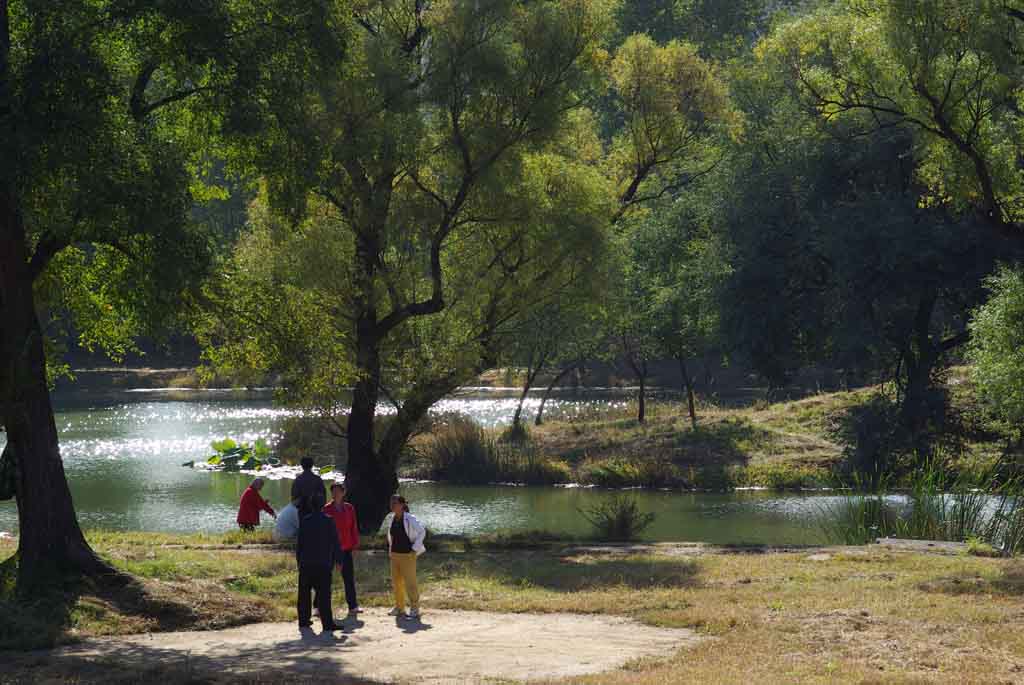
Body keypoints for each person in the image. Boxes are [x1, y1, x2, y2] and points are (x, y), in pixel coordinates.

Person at [296, 490, 342, 632]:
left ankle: (303, 621)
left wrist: (299, 561)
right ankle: (327, 624)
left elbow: (300, 544)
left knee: (304, 593)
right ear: (323, 505)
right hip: (323, 563)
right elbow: (335, 542)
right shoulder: (328, 521)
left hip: (306, 563)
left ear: (311, 505)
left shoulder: (305, 520)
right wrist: (338, 560)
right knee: (323, 595)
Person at [384, 493, 426, 619]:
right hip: (395, 555)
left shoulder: (409, 518)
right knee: (396, 582)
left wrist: (414, 549)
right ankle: (399, 607)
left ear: (402, 505)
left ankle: (414, 608)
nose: (392, 505)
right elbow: (391, 535)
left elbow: (422, 532)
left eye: (395, 503)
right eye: (391, 503)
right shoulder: (392, 518)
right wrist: (390, 550)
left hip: (408, 555)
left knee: (410, 582)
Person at [323, 482, 360, 616]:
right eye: (333, 491)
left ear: (343, 493)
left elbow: (353, 527)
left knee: (349, 577)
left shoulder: (349, 508)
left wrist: (355, 545)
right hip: (331, 548)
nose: (335, 494)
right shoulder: (326, 509)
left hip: (346, 547)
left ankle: (353, 606)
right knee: (325, 578)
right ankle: (318, 606)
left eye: (338, 491)